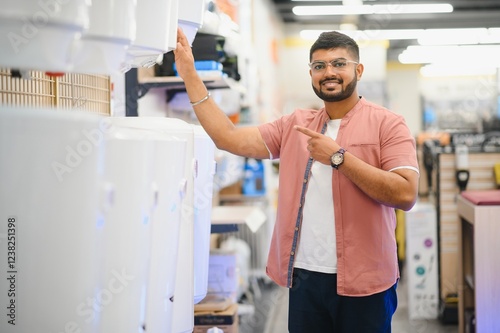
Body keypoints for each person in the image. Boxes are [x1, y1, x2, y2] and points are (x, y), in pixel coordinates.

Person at [174, 28, 419, 332]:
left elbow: (406, 193)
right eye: (319, 66)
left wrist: (338, 158)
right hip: (305, 279)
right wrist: (190, 75)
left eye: (339, 64)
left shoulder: (388, 124)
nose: (329, 72)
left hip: (366, 283)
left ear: (358, 70)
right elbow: (228, 137)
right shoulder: (295, 125)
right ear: (312, 74)